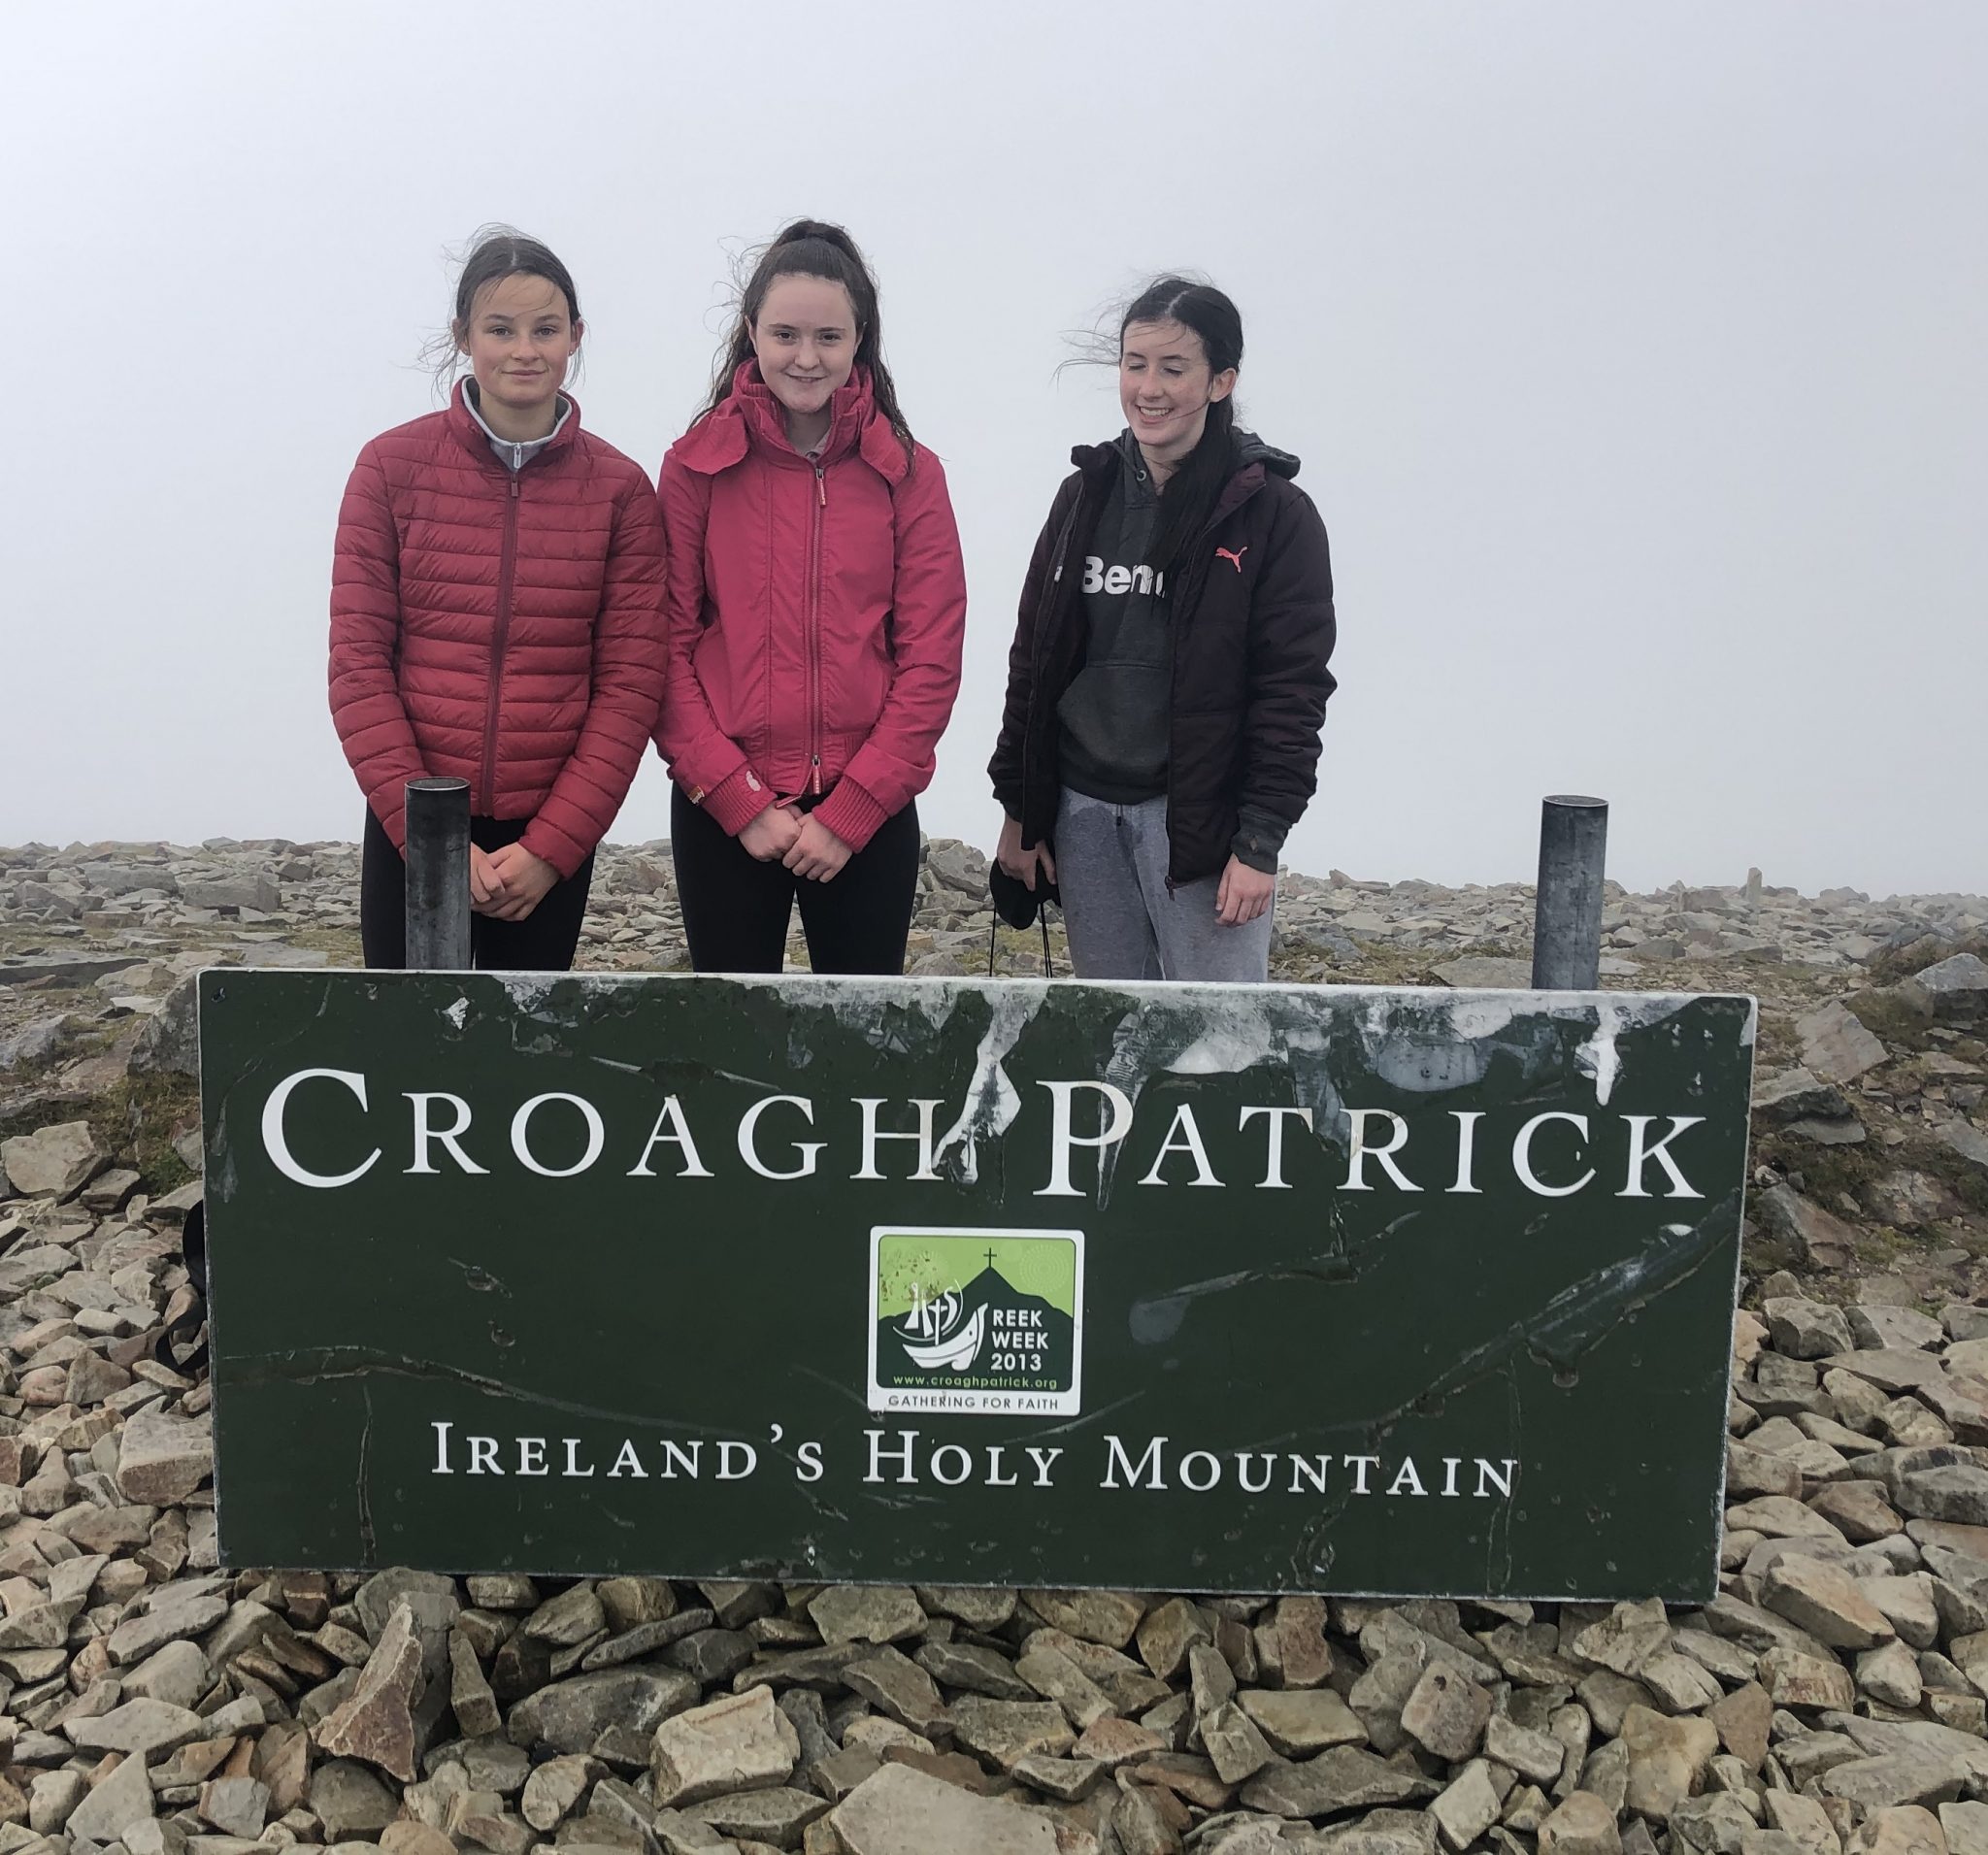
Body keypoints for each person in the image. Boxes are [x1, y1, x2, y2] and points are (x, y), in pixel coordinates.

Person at [329, 227, 666, 971]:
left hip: (547, 836)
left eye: (545, 329)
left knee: (526, 1042)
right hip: (415, 821)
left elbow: (631, 684)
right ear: (463, 336)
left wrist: (552, 847)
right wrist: (427, 838)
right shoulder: (388, 469)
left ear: (575, 336)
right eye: (500, 329)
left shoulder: (620, 491)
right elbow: (358, 668)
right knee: (408, 1037)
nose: (524, 350)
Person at [988, 278, 1337, 982]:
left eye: (1174, 368)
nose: (1149, 388)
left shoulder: (1273, 514)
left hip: (1202, 824)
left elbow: (1292, 690)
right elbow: (1034, 662)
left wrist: (1259, 841)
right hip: (1083, 815)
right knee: (1115, 1028)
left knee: (1220, 1033)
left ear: (1221, 381)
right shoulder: (1084, 495)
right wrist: (1021, 812)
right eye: (1135, 364)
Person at [656, 219, 967, 976]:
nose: (806, 356)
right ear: (751, 332)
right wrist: (738, 800)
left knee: (864, 1039)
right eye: (785, 334)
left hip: (868, 813)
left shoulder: (909, 473)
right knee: (733, 1033)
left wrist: (854, 810)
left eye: (829, 336)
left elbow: (931, 657)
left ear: (861, 338)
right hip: (725, 814)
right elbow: (661, 648)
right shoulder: (694, 468)